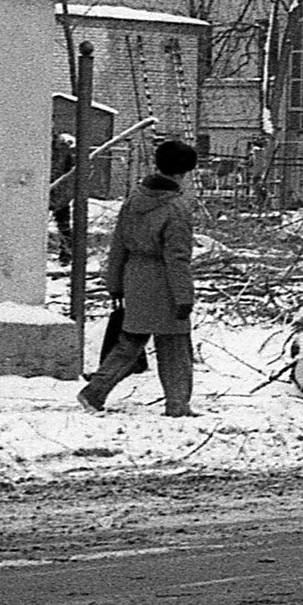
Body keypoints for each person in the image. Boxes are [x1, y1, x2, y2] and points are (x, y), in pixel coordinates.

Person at [78, 139, 201, 417]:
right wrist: (184, 296)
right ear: (183, 173)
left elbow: (118, 242)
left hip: (135, 277)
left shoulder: (134, 199)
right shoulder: (176, 209)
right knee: (175, 345)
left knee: (130, 342)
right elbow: (177, 259)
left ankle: (94, 392)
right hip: (164, 283)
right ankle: (178, 405)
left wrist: (115, 284)